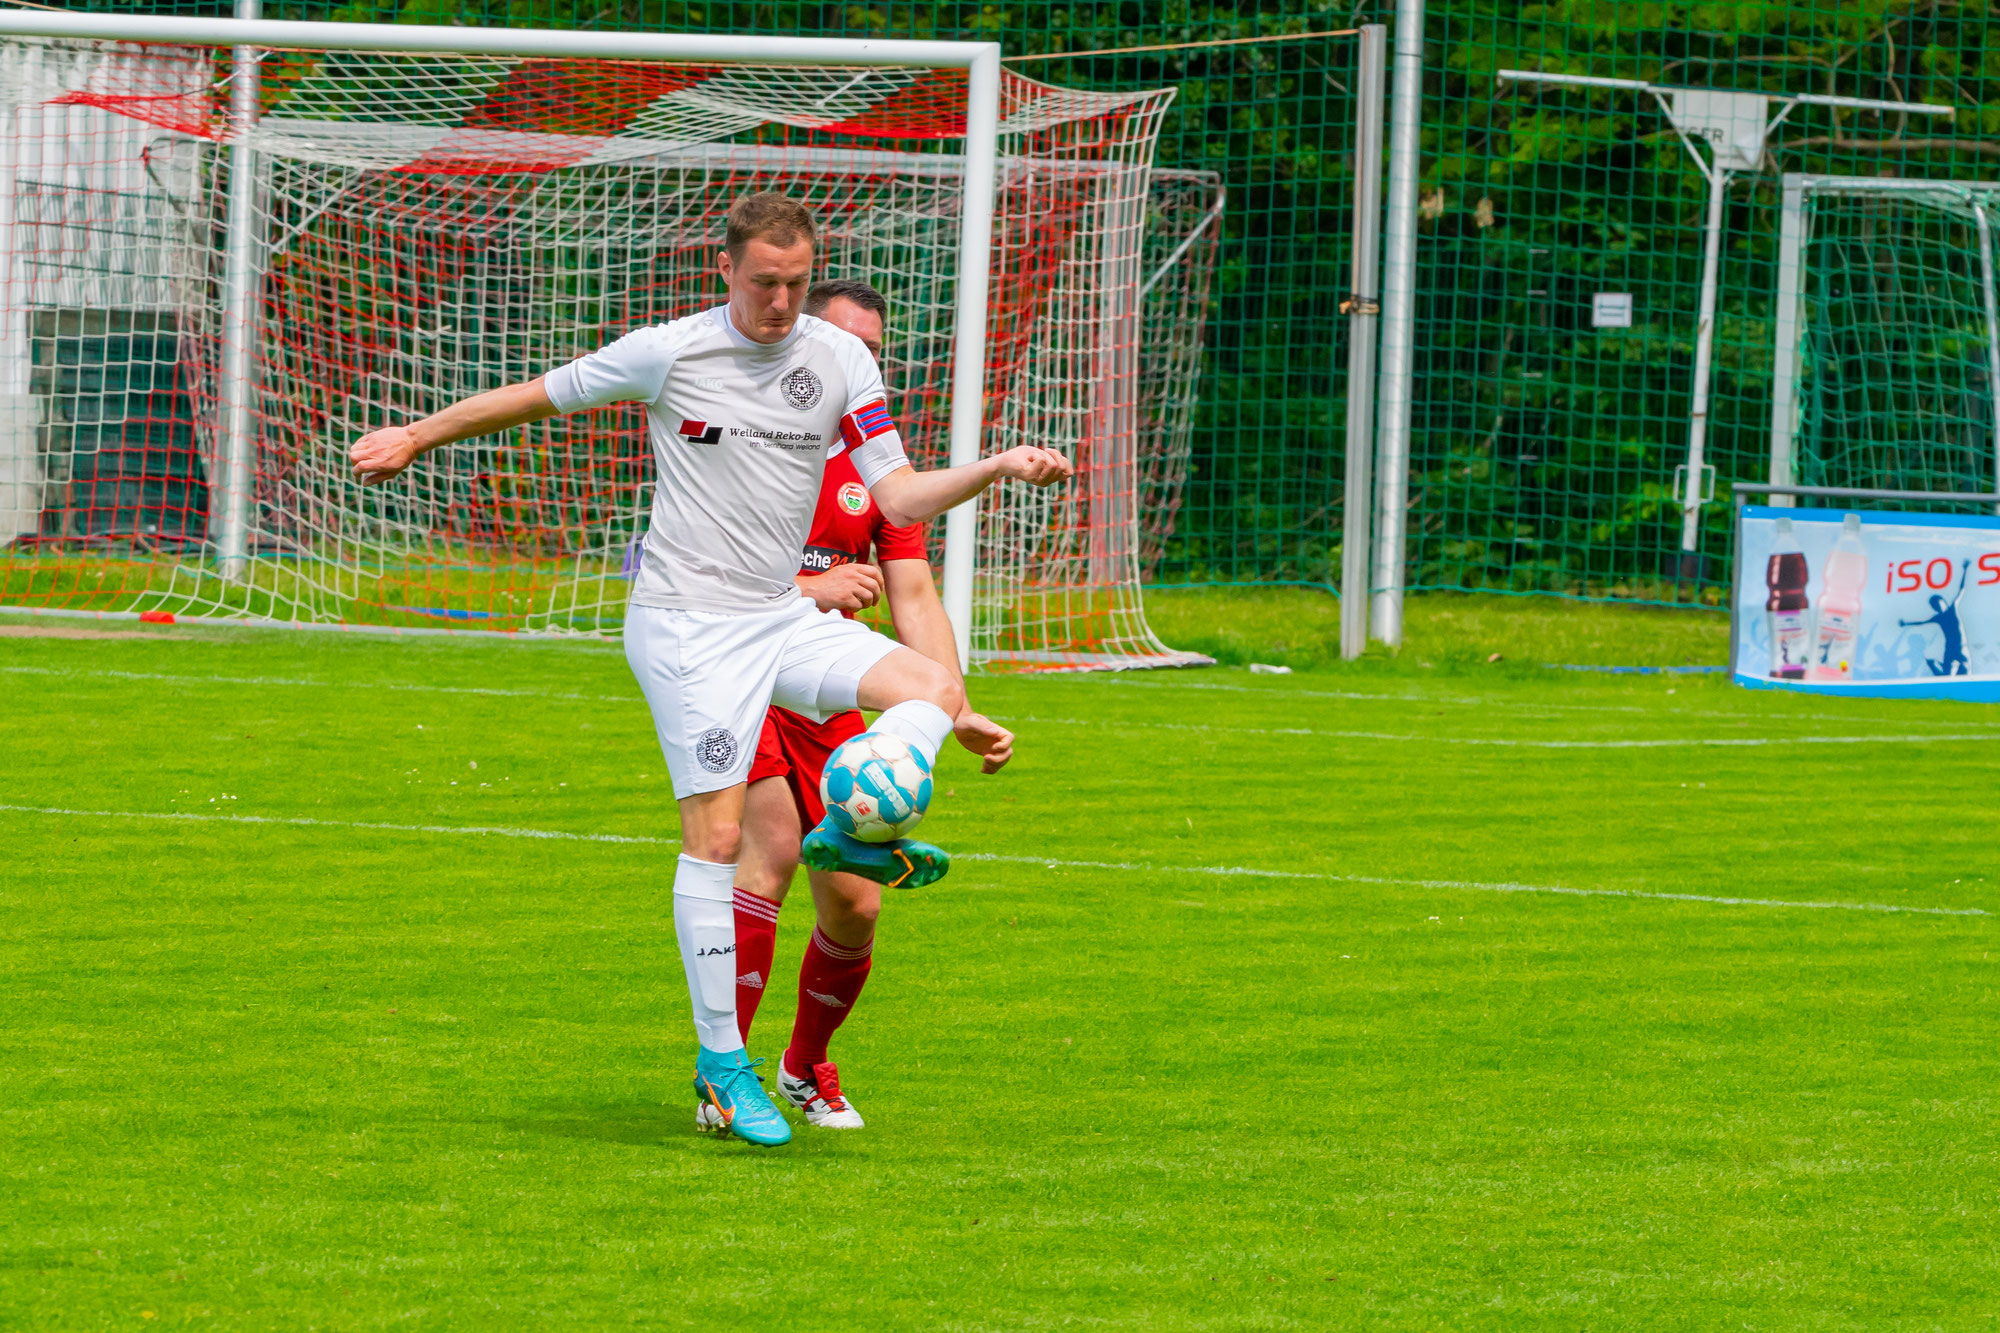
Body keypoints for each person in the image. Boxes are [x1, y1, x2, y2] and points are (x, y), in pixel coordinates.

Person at [347, 193, 1071, 1147]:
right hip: (686, 627)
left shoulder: (839, 357)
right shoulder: (671, 350)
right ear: (726, 271)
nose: (781, 302)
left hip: (776, 615)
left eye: (798, 284)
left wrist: (995, 466)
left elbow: (898, 493)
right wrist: (414, 436)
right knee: (721, 839)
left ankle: (854, 834)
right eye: (765, 283)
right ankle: (723, 1064)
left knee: (932, 689)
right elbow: (535, 395)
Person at [726, 278, 1012, 1132]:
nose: (852, 361)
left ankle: (804, 1066)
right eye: (838, 341)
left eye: (868, 350)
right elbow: (675, 569)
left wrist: (950, 710)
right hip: (741, 677)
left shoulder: (880, 476)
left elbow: (915, 597)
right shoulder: (739, 438)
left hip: (830, 687)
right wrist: (809, 584)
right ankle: (724, 1077)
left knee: (856, 904)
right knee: (772, 853)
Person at [1899, 558, 1972, 677]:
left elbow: (1961, 589)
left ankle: (1933, 664)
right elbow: (1921, 622)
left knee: (1965, 672)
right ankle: (1933, 665)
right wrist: (1906, 624)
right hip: (1950, 649)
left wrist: (1965, 569)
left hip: (1960, 648)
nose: (1939, 607)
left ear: (1944, 602)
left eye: (1939, 603)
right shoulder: (1939, 618)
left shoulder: (1952, 609)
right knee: (1946, 676)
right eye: (1936, 606)